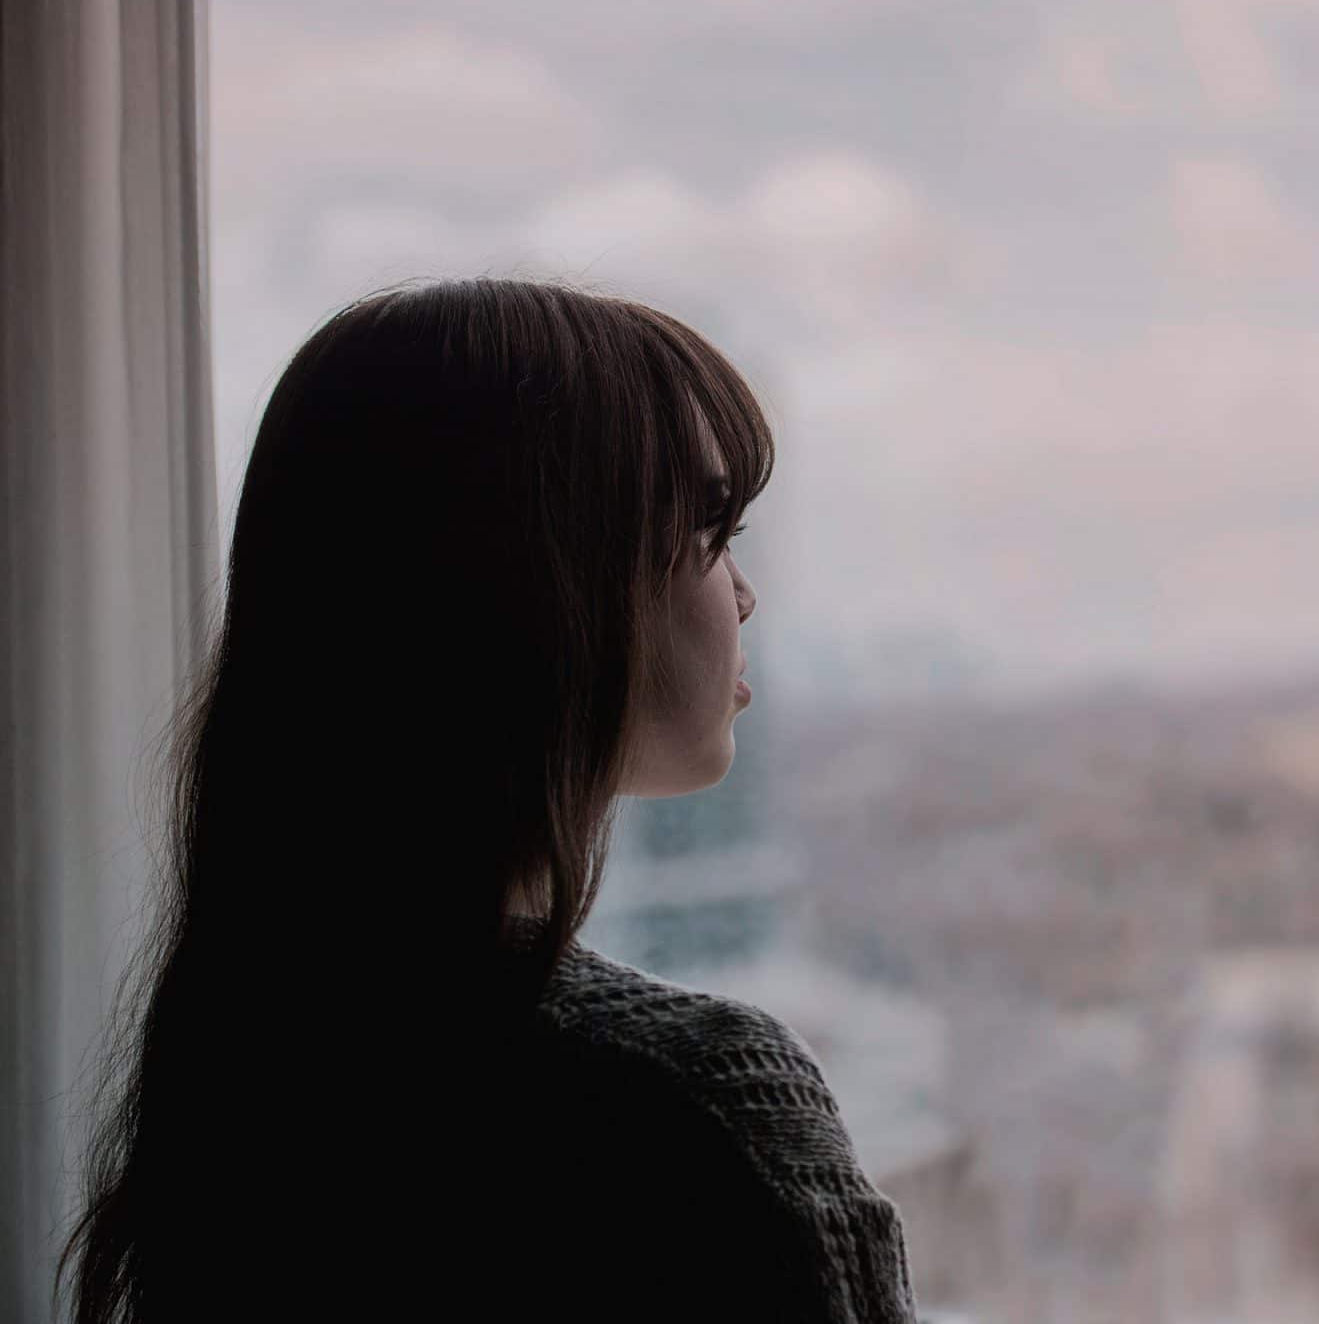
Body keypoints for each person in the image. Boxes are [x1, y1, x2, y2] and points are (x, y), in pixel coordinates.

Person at [55, 278, 919, 1322]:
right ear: (550, 582)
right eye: (710, 526)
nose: (741, 593)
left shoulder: (252, 1059)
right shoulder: (695, 1099)